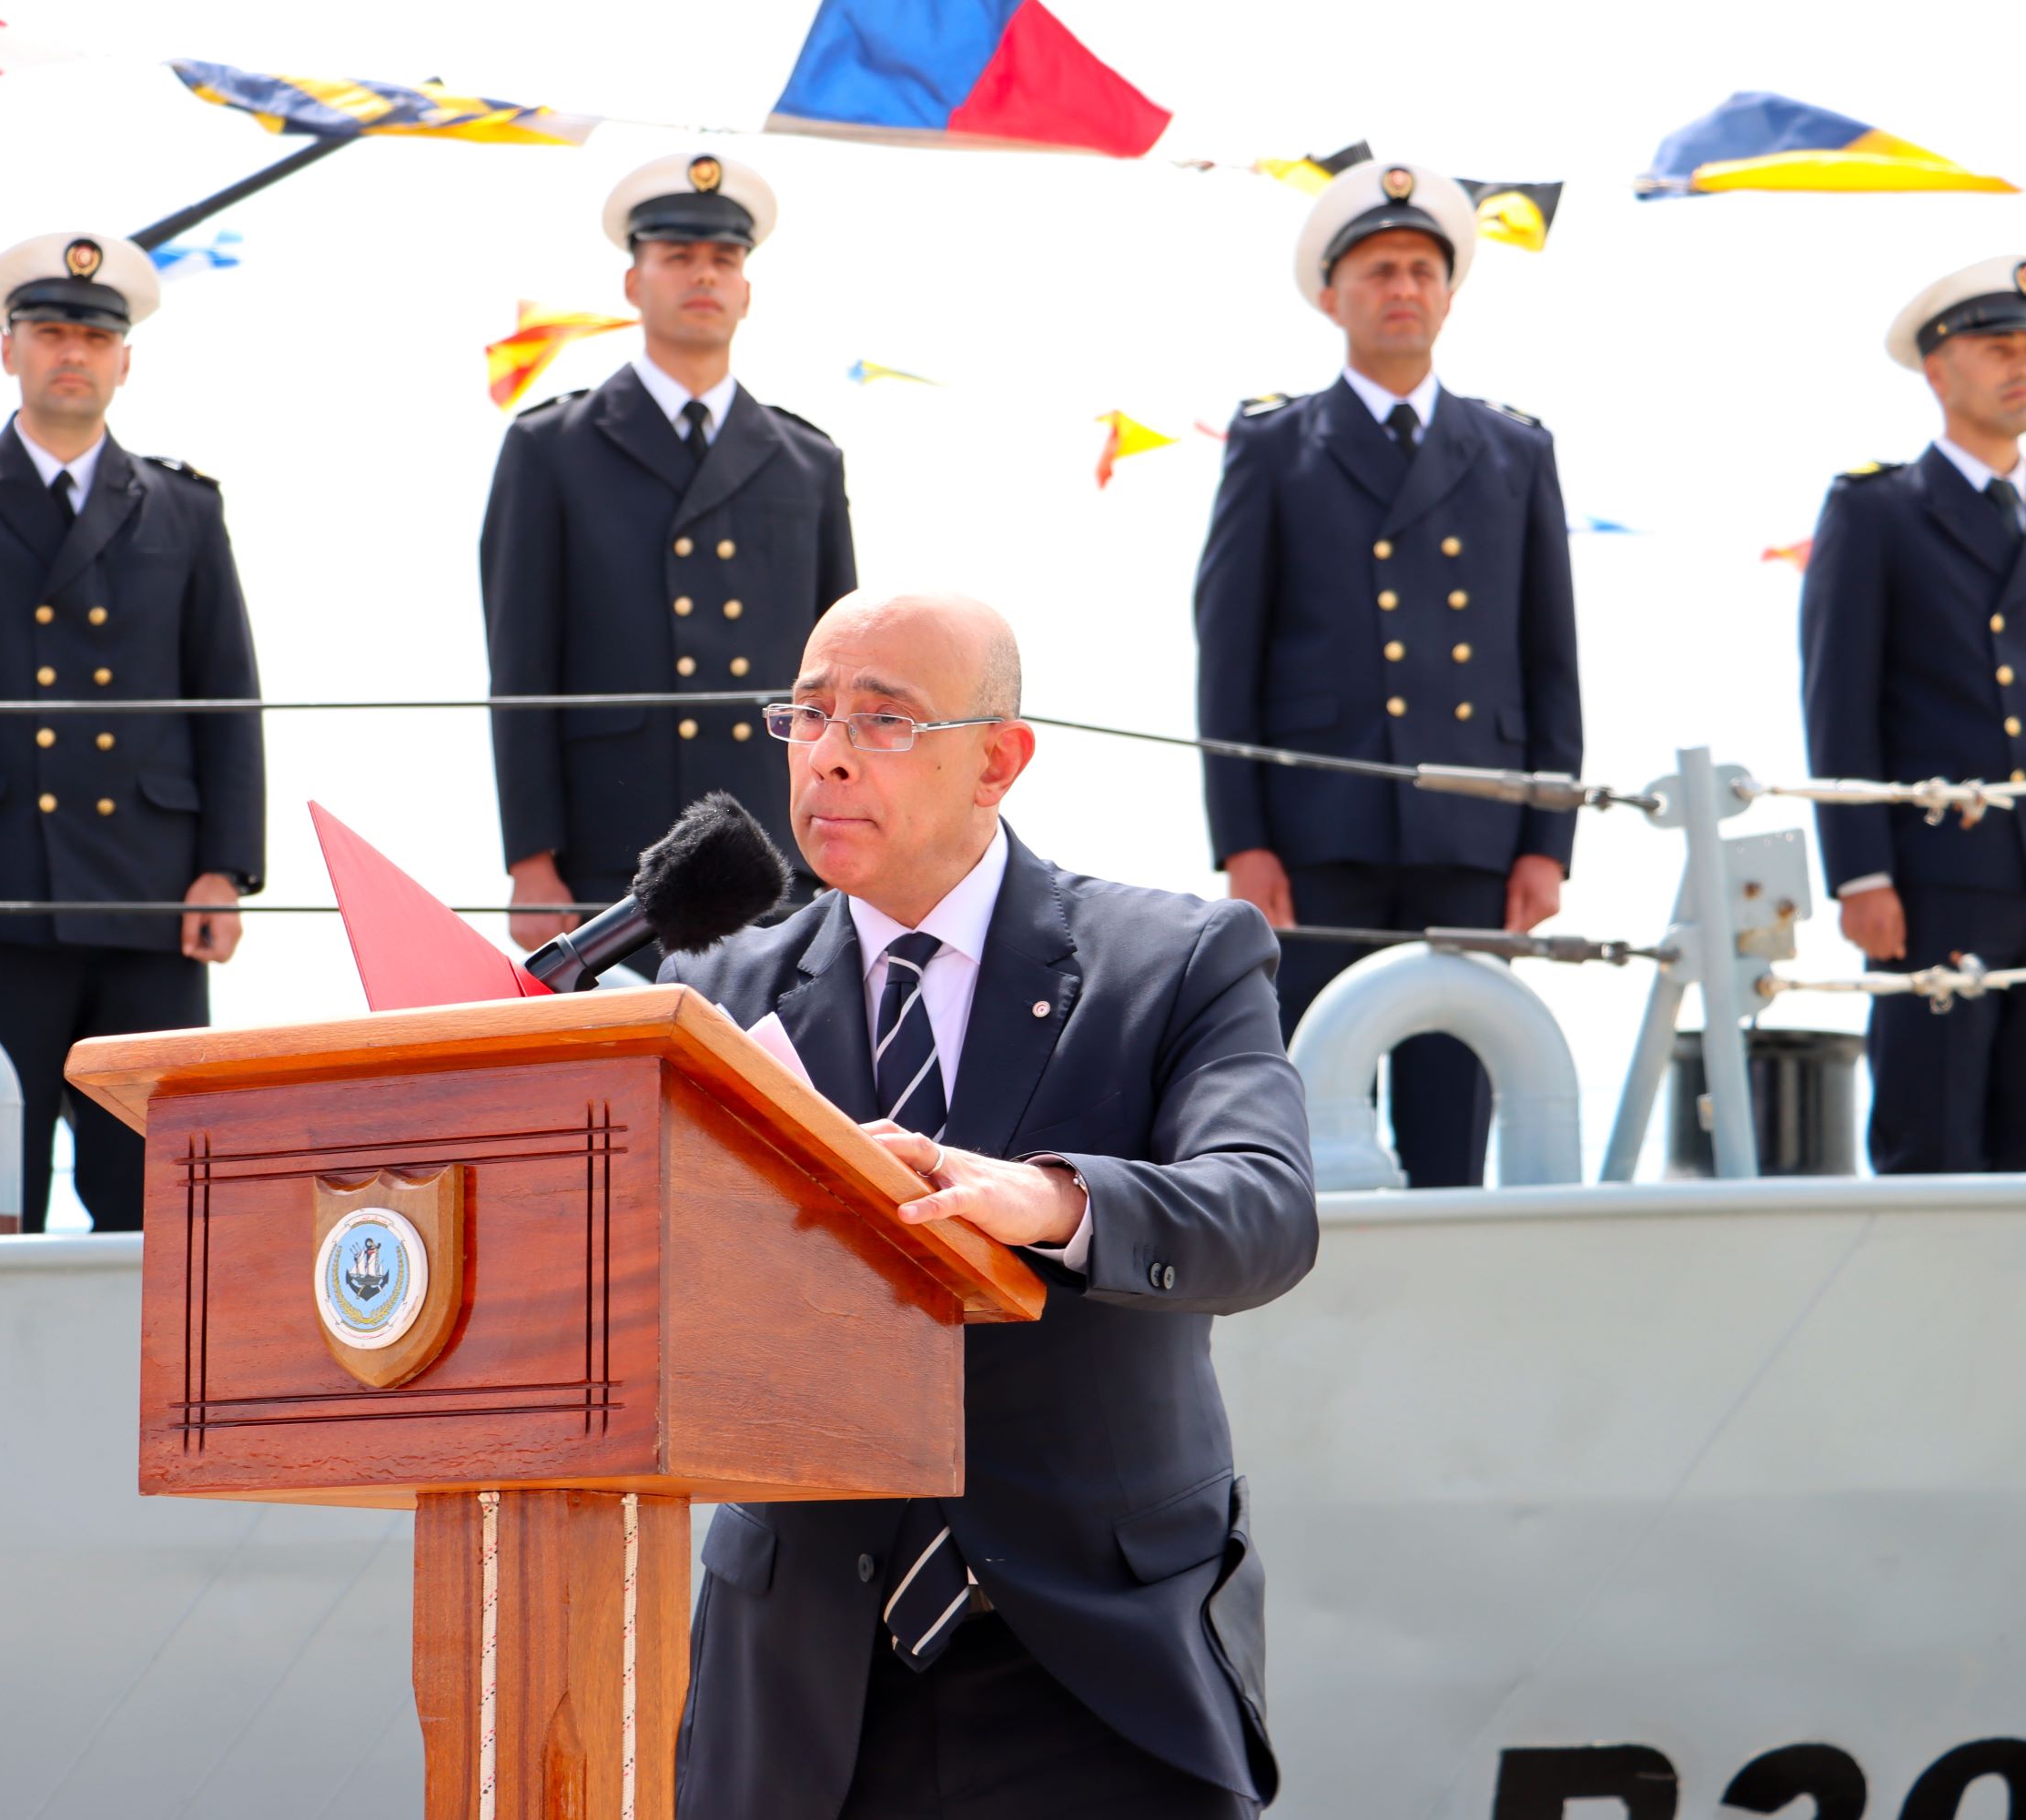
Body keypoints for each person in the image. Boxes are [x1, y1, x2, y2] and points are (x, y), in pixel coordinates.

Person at [665, 590, 1316, 1819]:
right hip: (803, 1687)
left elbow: (1264, 1210)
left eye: (884, 719)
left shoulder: (1177, 961)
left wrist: (1053, 1200)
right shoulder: (715, 995)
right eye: (808, 715)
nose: (830, 753)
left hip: (1099, 1676)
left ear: (999, 760)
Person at [0, 231, 263, 1233]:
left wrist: (225, 869)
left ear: (126, 360)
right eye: (49, 333)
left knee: (154, 1203)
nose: (71, 353)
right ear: (9, 351)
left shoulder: (184, 506)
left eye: (93, 336)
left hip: (152, 899)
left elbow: (225, 696)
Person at [1193, 157, 1582, 1189]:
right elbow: (1228, 655)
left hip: (1474, 834)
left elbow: (1550, 658)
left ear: (1450, 295)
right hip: (1316, 834)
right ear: (1333, 297)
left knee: (1455, 1123)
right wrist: (1244, 840)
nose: (1402, 288)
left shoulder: (1515, 449)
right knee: (1307, 1121)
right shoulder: (1276, 444)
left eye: (1421, 270)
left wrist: (1547, 840)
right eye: (1378, 270)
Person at [484, 151, 856, 965]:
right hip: (611, 855)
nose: (704, 274)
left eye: (725, 258)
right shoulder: (552, 447)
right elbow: (520, 667)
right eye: (678, 256)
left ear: (747, 290)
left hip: (775, 854)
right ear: (634, 282)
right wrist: (530, 860)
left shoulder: (807, 461)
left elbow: (840, 681)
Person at [1800, 255, 2026, 1173]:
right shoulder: (1878, 511)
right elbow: (1839, 705)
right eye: (1998, 349)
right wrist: (1861, 877)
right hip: (1936, 880)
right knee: (1928, 1145)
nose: (2023, 368)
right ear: (1937, 370)